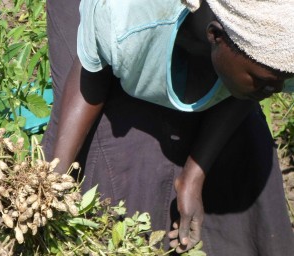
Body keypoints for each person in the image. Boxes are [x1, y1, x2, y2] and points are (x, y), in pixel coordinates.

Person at [43, 0, 294, 255]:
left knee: (243, 148)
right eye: (264, 82)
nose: (276, 92)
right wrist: (52, 179)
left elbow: (240, 95)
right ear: (216, 36)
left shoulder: (277, 41)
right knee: (114, 153)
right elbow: (91, 75)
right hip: (123, 25)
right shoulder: (122, 19)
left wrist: (193, 177)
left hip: (227, 46)